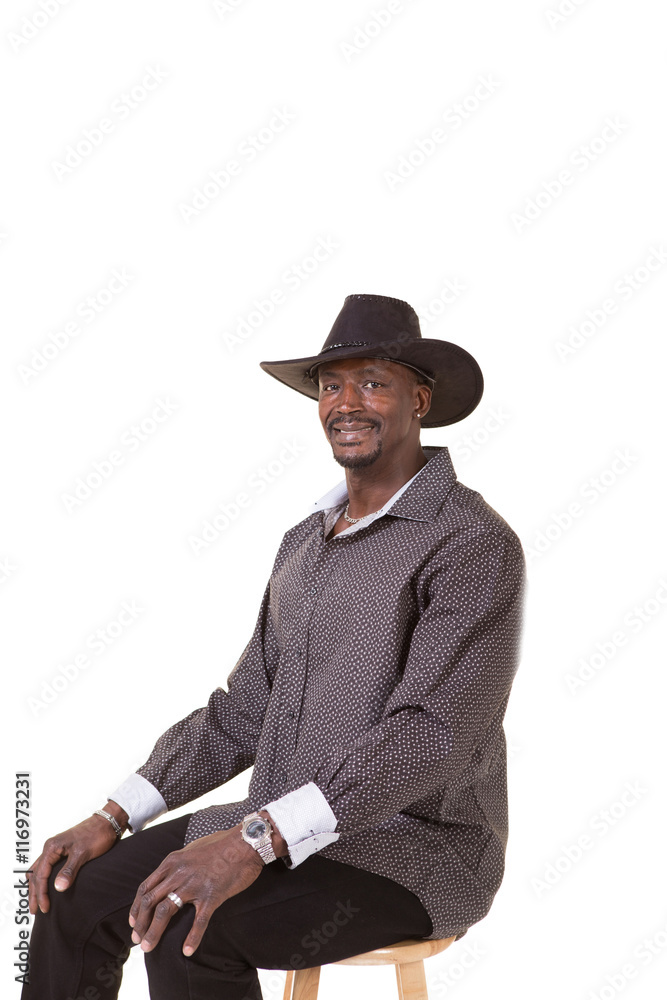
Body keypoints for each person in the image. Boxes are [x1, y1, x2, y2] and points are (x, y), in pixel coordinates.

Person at [23, 293, 526, 1000]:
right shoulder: (305, 543)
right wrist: (113, 814)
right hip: (276, 827)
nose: (345, 402)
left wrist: (250, 842)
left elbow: (427, 738)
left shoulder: (470, 544)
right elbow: (242, 713)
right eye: (330, 385)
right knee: (69, 894)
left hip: (413, 849)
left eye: (373, 383)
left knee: (188, 924)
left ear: (419, 399)